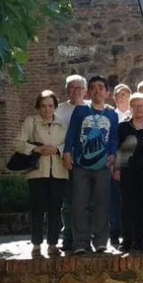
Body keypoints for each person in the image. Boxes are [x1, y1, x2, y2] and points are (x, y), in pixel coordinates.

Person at [63, 76, 119, 255]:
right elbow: (72, 134)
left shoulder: (112, 114)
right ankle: (80, 242)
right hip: (81, 165)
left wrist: (112, 154)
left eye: (101, 87)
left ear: (107, 93)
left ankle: (101, 241)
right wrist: (67, 152)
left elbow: (114, 137)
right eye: (93, 87)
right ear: (88, 92)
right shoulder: (80, 111)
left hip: (103, 166)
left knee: (102, 204)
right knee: (80, 203)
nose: (97, 90)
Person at [14, 90, 68, 257]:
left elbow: (69, 145)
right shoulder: (31, 121)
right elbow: (18, 143)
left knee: (55, 209)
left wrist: (57, 149)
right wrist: (36, 149)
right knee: (37, 209)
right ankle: (36, 245)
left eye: (50, 106)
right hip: (37, 172)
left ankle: (53, 244)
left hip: (58, 172)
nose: (47, 109)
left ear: (55, 107)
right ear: (38, 107)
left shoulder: (62, 124)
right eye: (43, 106)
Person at [114, 92, 143, 252]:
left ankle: (140, 239)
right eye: (136, 106)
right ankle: (126, 240)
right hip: (127, 173)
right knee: (127, 207)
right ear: (131, 108)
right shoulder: (122, 128)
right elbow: (117, 150)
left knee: (141, 207)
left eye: (142, 105)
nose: (139, 109)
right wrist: (116, 168)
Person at [54, 74, 88, 251]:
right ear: (67, 90)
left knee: (87, 201)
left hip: (88, 163)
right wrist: (65, 153)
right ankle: (67, 236)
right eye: (71, 88)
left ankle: (85, 237)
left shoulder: (91, 109)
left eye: (78, 88)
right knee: (68, 202)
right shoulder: (58, 111)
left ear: (85, 91)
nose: (75, 91)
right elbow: (55, 136)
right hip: (65, 162)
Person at [110, 83, 132, 248]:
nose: (122, 97)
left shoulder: (135, 114)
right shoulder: (111, 116)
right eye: (119, 94)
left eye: (125, 94)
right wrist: (115, 167)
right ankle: (115, 234)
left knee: (131, 202)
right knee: (116, 202)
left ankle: (131, 234)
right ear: (114, 98)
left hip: (133, 167)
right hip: (116, 165)